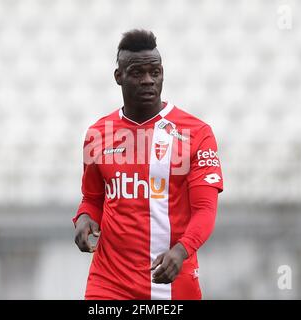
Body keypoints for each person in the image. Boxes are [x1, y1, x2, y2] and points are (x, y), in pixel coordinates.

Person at [73, 29, 224, 300]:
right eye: (137, 73)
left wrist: (181, 250)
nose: (147, 81)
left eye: (154, 72)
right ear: (118, 76)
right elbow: (92, 198)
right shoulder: (98, 134)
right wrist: (84, 218)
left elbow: (205, 209)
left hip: (171, 278)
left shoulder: (196, 133)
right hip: (109, 281)